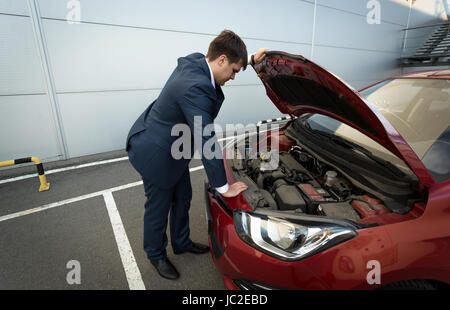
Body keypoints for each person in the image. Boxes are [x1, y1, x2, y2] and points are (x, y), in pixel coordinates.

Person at [126, 29, 268, 280]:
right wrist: (223, 186)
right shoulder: (195, 87)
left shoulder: (197, 60)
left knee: (182, 197)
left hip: (173, 147)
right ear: (221, 60)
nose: (234, 77)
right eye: (234, 70)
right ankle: (155, 254)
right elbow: (206, 138)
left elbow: (225, 58)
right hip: (155, 152)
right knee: (158, 208)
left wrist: (250, 61)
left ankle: (181, 243)